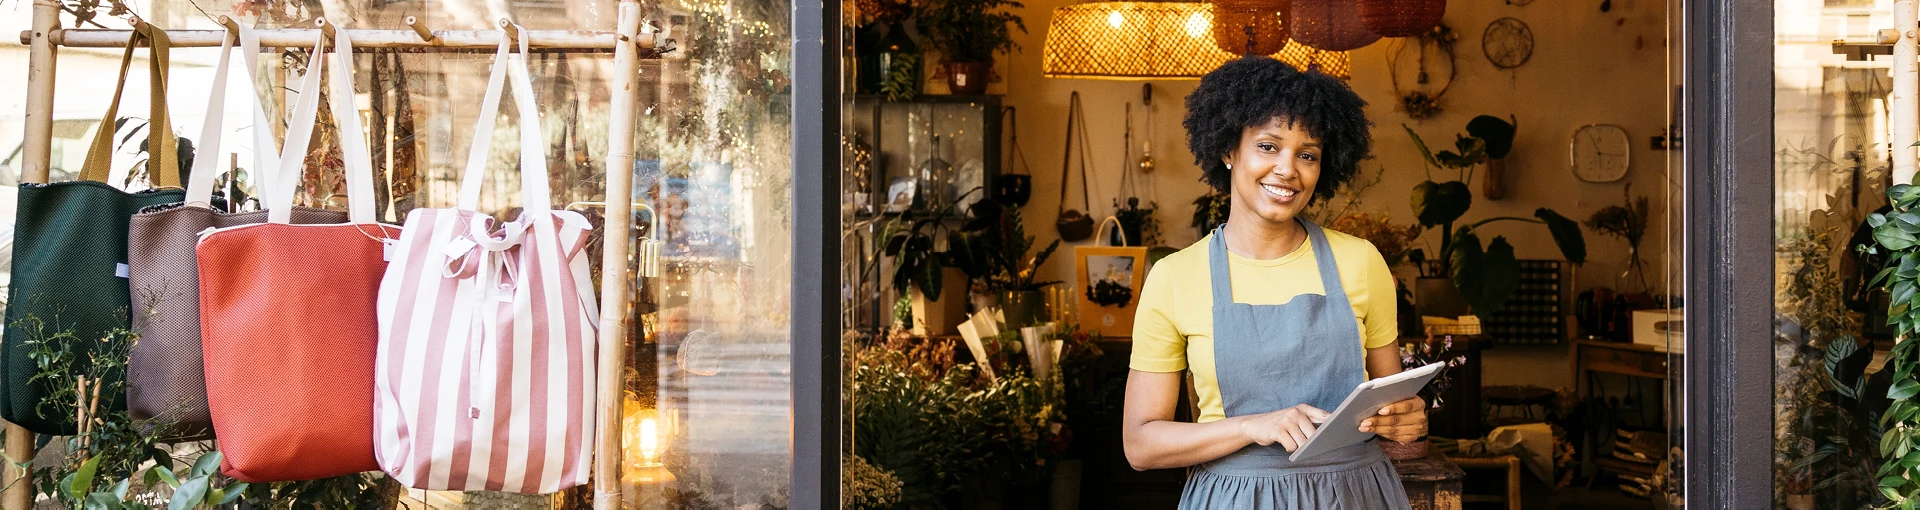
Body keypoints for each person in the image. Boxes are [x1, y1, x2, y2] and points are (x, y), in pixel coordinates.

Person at [1122, 56, 1425, 509]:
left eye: (1307, 154)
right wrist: (1252, 426)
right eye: (1268, 146)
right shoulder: (1174, 278)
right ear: (1228, 150)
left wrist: (1408, 419)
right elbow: (1141, 445)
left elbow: (1394, 405)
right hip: (1237, 498)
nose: (1288, 170)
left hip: (1356, 494)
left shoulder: (1361, 262)